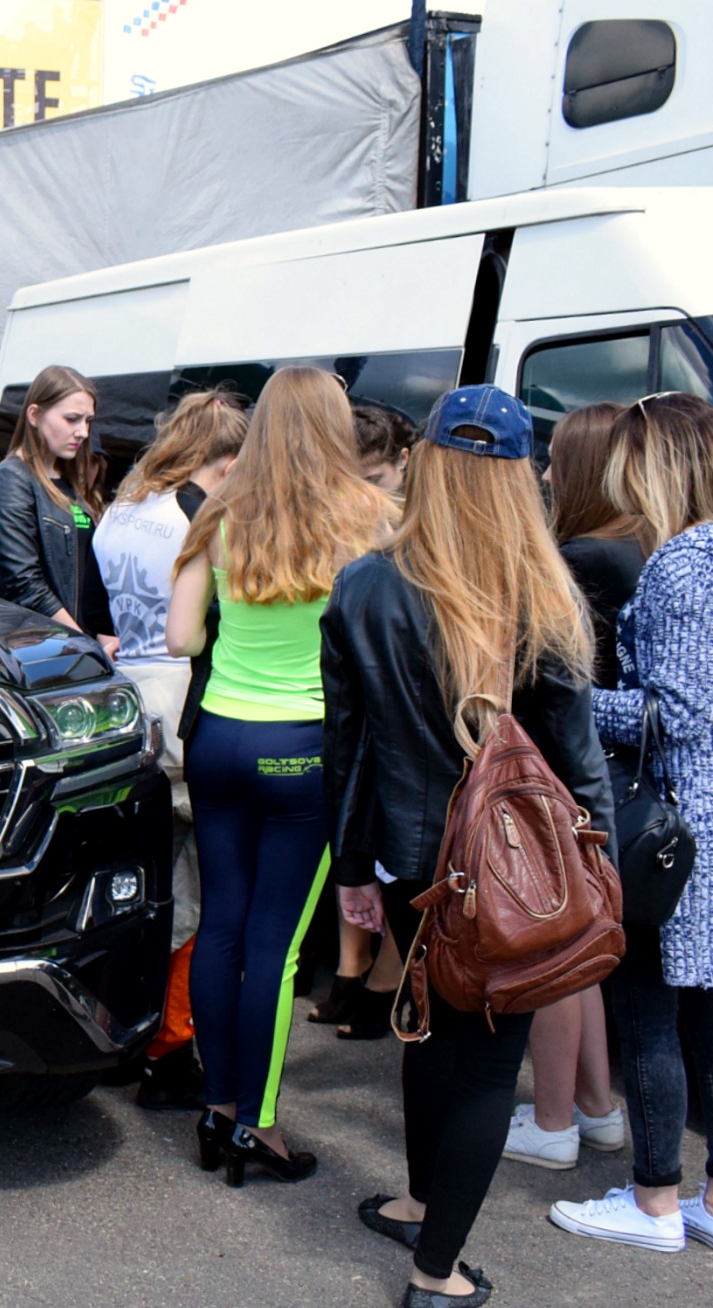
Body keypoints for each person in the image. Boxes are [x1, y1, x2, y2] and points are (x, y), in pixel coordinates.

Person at [326, 384, 613, 1307]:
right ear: (521, 477)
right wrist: (597, 860)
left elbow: (348, 749)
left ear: (428, 468)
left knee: (428, 1018)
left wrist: (350, 873)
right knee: (490, 1058)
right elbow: (575, 757)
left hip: (412, 855)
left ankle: (419, 1205)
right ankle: (434, 1271)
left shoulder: (366, 583)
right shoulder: (542, 590)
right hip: (514, 867)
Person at [166, 366, 395, 1186]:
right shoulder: (368, 519)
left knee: (222, 926)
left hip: (219, 735)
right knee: (278, 944)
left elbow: (181, 637)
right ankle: (253, 1126)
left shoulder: (219, 514)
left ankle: (215, 1106)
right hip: (304, 748)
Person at [549, 392, 713, 1254]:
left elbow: (673, 714)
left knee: (648, 1006)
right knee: (703, 1016)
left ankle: (655, 1201)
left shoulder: (684, 563)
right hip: (701, 824)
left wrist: (570, 693)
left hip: (676, 832)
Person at [94, 390, 248, 1107]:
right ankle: (172, 1041)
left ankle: (127, 1028)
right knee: (195, 888)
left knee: (140, 883)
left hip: (128, 697)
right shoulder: (197, 514)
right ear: (223, 458)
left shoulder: (124, 508)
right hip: (187, 699)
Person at [503, 403, 641, 1170]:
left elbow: (562, 691)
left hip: (565, 778)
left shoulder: (585, 557)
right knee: (579, 949)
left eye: (558, 460)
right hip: (598, 778)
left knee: (556, 952)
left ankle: (554, 1118)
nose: (549, 475)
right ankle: (593, 1109)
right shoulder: (631, 549)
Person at [311, 404, 422, 1038]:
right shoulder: (352, 516)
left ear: (403, 463)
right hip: (338, 679)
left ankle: (378, 975)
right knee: (350, 843)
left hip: (378, 694)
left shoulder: (406, 524)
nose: (362, 490)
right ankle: (355, 969)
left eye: (373, 477)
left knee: (379, 851)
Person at [0, 365, 118, 655]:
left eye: (88, 420)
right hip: (36, 650)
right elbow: (25, 584)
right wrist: (85, 643)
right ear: (34, 415)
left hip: (70, 645)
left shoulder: (67, 480)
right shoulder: (12, 478)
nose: (83, 432)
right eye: (72, 419)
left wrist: (103, 637)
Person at [355, 404, 418, 492]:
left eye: (374, 481)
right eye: (353, 484)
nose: (363, 497)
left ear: (402, 459)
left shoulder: (427, 499)